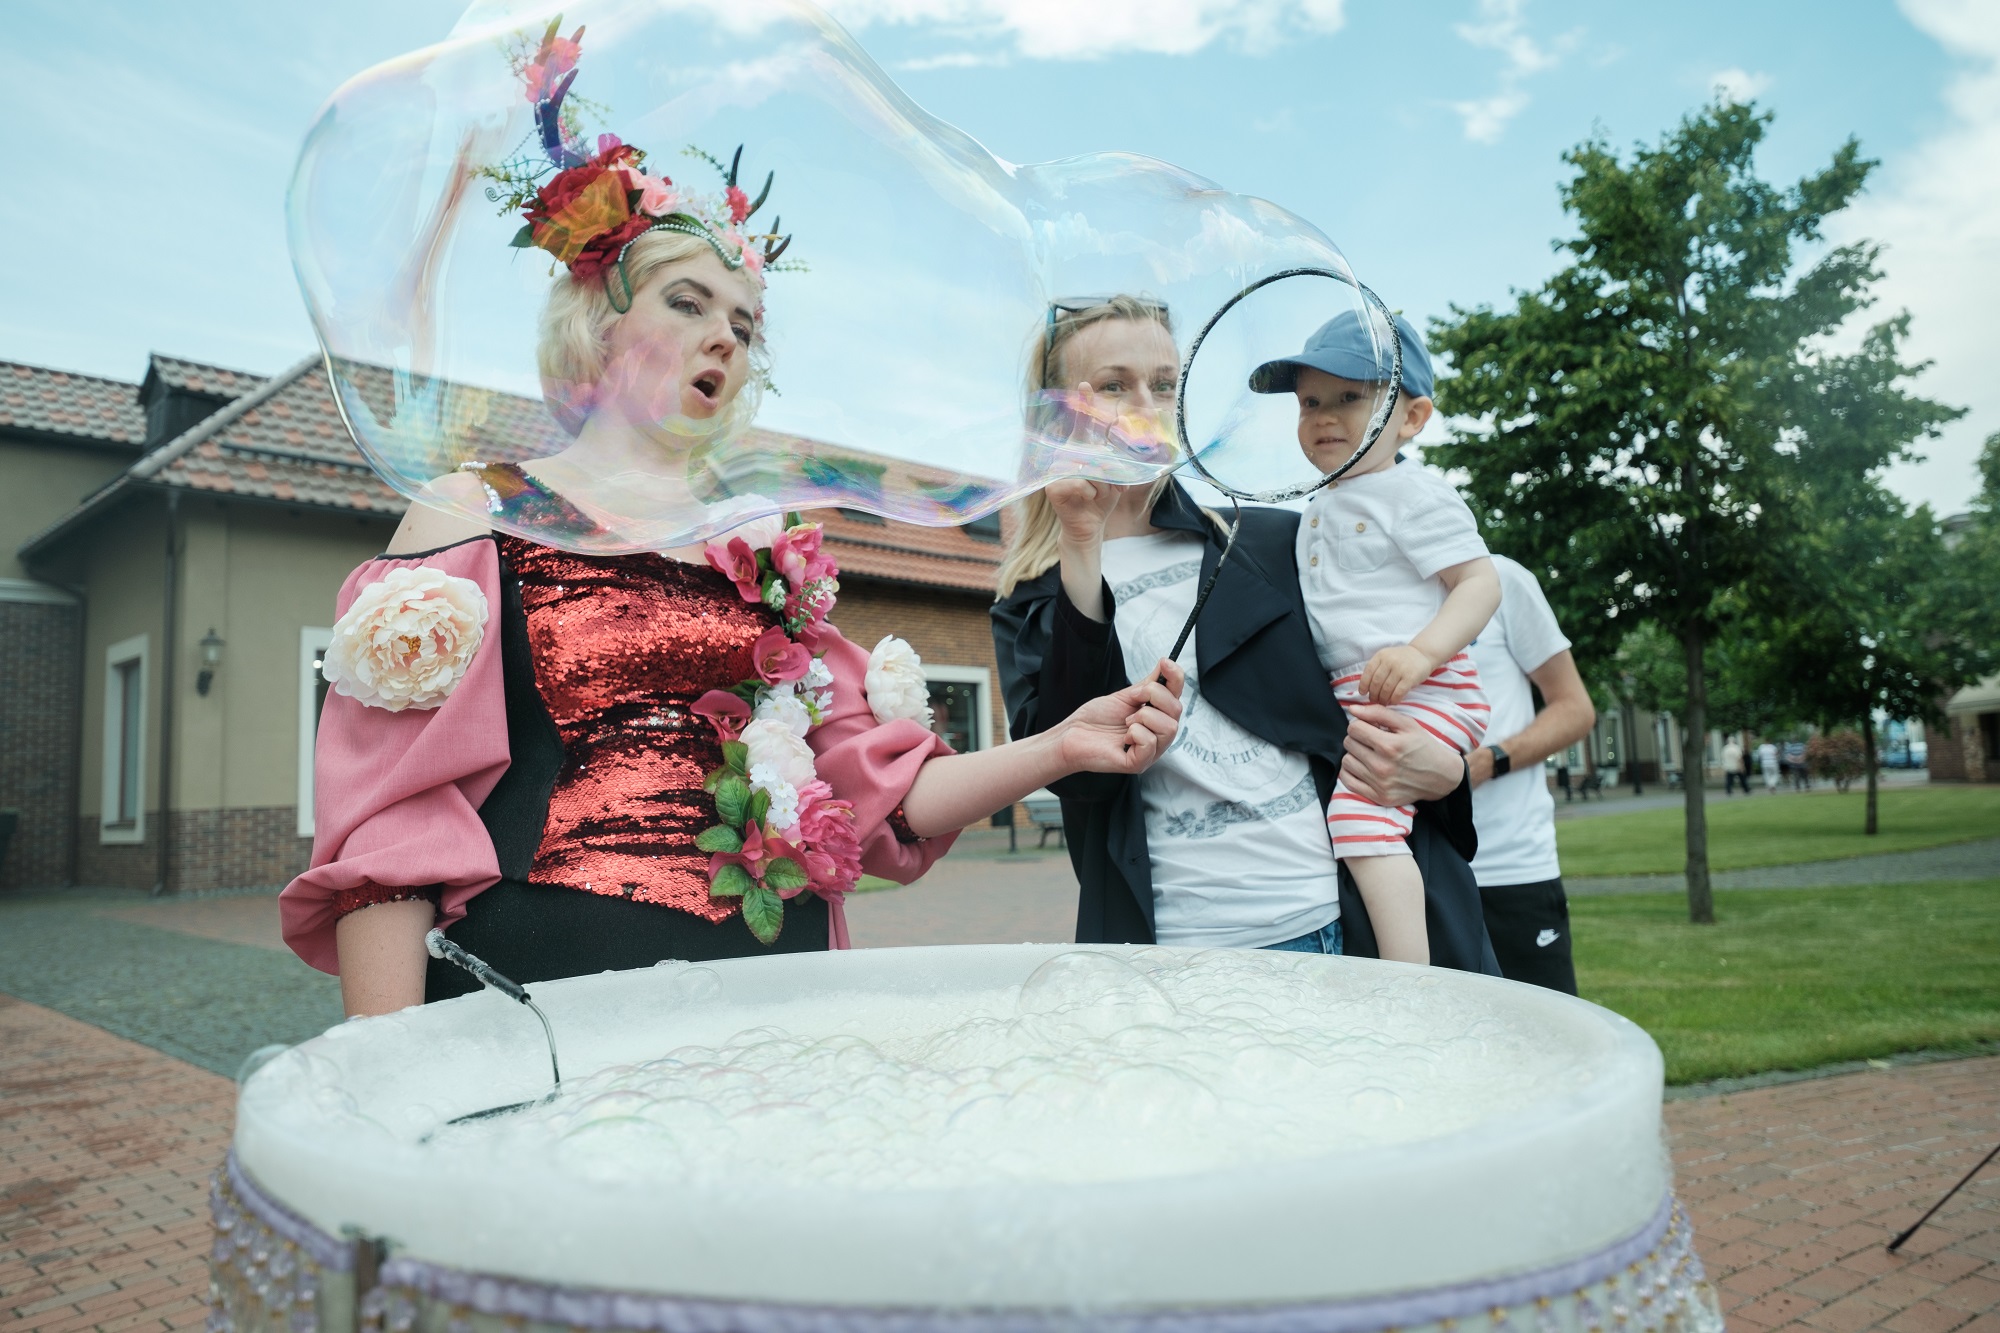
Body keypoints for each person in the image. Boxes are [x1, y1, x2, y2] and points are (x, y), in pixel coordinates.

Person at [283, 39, 1184, 1018]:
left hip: (771, 996)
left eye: (746, 324)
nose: (725, 334)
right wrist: (391, 1059)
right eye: (688, 302)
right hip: (541, 998)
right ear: (599, 321)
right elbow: (390, 831)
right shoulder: (476, 512)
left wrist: (1059, 746)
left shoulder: (765, 550)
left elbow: (879, 795)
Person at [991, 296, 1494, 970]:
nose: (1145, 404)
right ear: (1059, 416)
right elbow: (1075, 773)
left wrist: (1448, 771)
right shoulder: (1029, 598)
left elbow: (1401, 680)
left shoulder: (1271, 541)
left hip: (1329, 919)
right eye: (1113, 385)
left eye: (1163, 383)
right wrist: (1081, 544)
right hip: (1168, 943)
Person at [1246, 313, 1501, 965]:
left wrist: (1421, 653)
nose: (1324, 416)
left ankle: (1407, 977)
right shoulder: (1319, 507)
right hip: (1363, 694)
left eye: (1350, 397)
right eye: (1310, 402)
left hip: (1426, 687)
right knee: (1352, 822)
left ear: (1412, 418)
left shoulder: (1411, 493)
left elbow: (1478, 583)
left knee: (1360, 822)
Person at [1464, 555, 1596, 994]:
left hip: (1511, 867)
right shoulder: (1356, 589)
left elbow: (1575, 708)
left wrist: (1489, 762)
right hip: (1405, 873)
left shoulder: (1499, 577)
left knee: (1542, 1033)